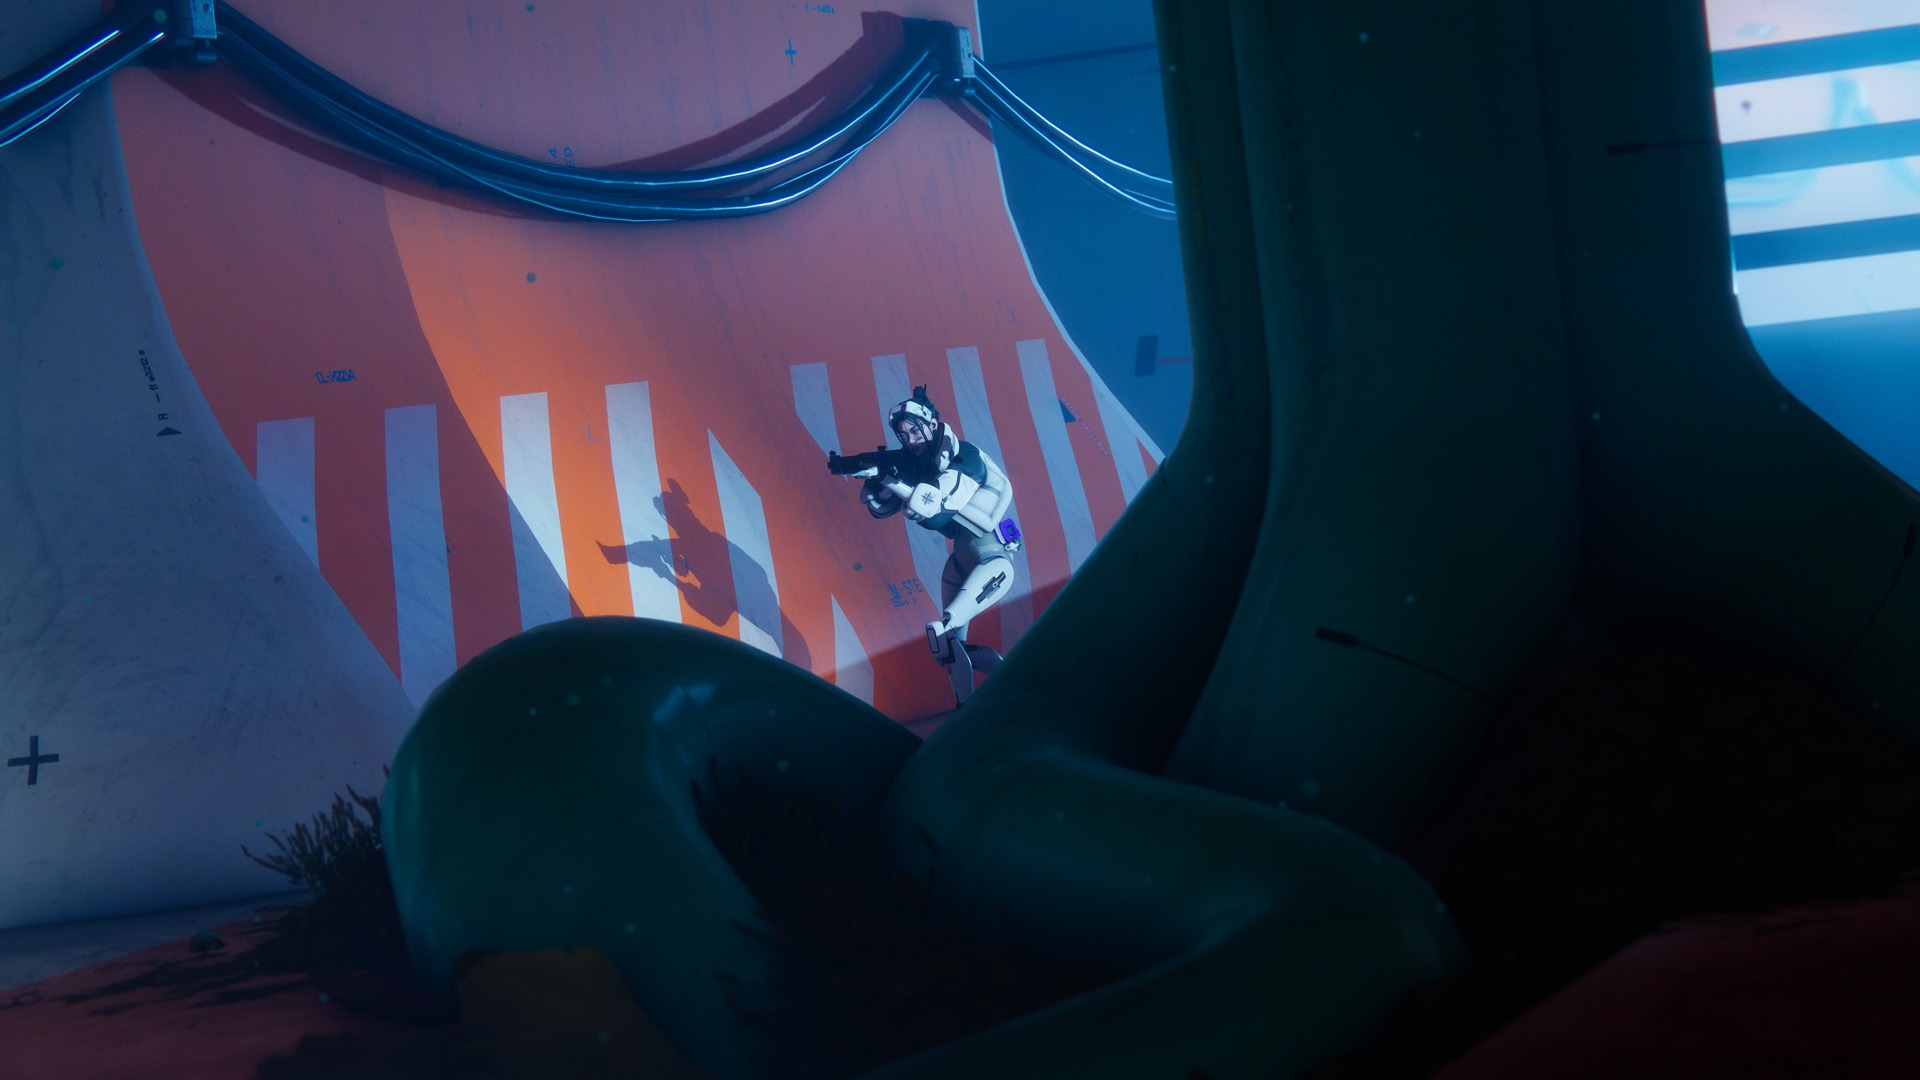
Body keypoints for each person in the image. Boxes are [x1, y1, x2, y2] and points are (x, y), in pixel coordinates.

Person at [839, 386, 1018, 707]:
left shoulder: (965, 457)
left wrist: (889, 479)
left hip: (993, 554)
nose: (909, 440)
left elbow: (935, 502)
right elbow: (885, 507)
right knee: (947, 647)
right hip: (961, 558)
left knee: (946, 625)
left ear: (932, 424)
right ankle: (969, 706)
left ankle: (1013, 685)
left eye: (914, 431)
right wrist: (880, 482)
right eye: (903, 435)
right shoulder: (917, 462)